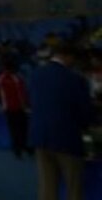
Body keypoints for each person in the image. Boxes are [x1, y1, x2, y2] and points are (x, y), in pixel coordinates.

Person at [29, 42, 93, 200]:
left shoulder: (35, 74)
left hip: (40, 137)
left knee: (47, 187)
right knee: (73, 187)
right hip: (67, 139)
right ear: (68, 56)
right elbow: (84, 111)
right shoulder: (74, 78)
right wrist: (87, 126)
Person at [0, 56, 31, 158]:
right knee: (20, 129)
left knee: (17, 129)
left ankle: (21, 149)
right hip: (14, 108)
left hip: (15, 108)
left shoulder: (11, 79)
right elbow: (24, 93)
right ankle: (21, 149)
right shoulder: (14, 78)